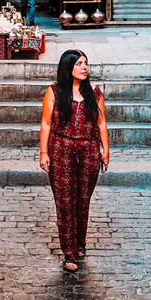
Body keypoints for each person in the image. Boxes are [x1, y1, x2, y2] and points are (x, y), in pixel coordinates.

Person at [39, 50, 110, 272]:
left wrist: (105, 150)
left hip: (88, 150)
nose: (84, 67)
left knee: (82, 200)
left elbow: (101, 124)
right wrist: (43, 152)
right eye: (79, 63)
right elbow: (46, 124)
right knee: (65, 201)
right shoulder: (54, 92)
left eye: (86, 63)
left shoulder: (95, 94)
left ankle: (79, 243)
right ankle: (69, 252)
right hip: (61, 149)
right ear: (68, 67)